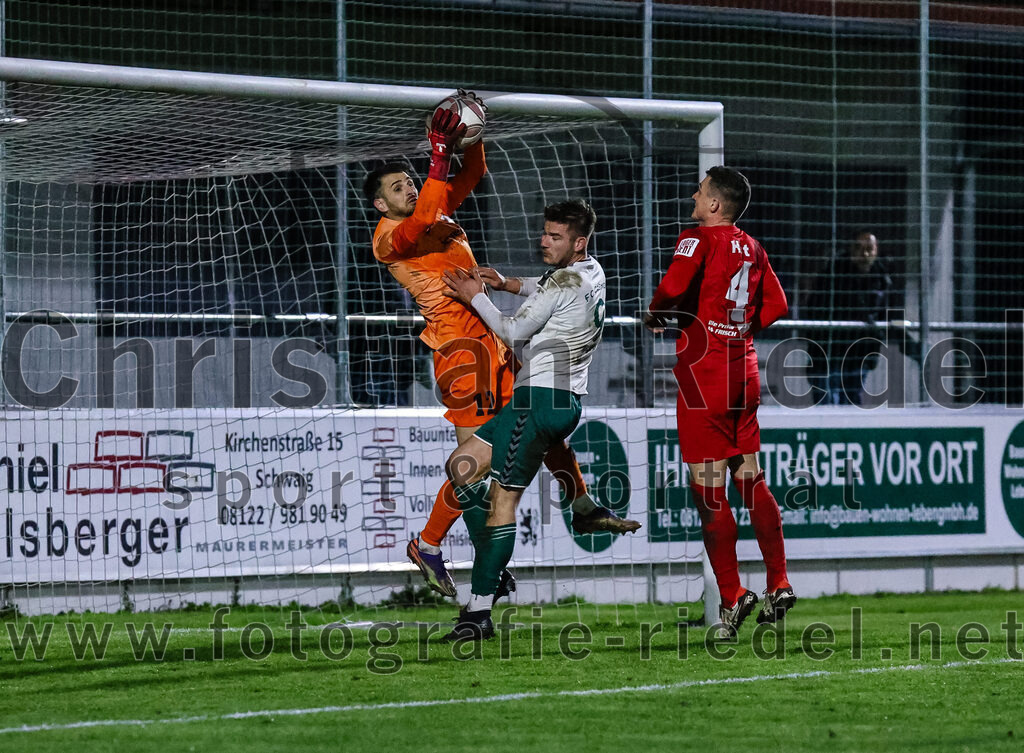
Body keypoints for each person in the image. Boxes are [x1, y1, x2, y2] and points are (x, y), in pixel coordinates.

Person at [364, 98, 638, 598]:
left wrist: (472, 132)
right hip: (460, 354)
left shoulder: (436, 213)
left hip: (493, 345)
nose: (409, 187)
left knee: (535, 428)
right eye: (396, 186)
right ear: (381, 204)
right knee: (471, 464)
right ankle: (434, 544)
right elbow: (426, 208)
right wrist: (439, 153)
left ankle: (578, 505)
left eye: (410, 179)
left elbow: (477, 170)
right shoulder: (388, 237)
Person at [438, 199, 607, 641]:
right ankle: (491, 571)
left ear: (579, 242)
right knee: (461, 467)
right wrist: (509, 283)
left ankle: (478, 612)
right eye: (545, 232)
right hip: (550, 400)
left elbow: (513, 332)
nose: (544, 240)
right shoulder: (591, 271)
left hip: (540, 401)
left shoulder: (564, 280)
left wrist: (476, 295)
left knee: (501, 504)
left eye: (555, 236)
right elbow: (548, 285)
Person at [645, 166, 794, 639]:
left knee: (709, 493)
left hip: (704, 381)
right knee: (750, 479)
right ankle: (779, 581)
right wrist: (738, 330)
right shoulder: (753, 247)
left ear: (714, 205)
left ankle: (732, 596)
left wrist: (657, 313)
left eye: (700, 190)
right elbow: (777, 306)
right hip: (744, 374)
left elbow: (671, 288)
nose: (693, 195)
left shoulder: (697, 239)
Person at [806, 230, 894, 405]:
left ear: (876, 250)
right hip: (829, 352)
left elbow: (885, 316)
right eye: (858, 248)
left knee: (851, 403)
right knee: (828, 403)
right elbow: (815, 309)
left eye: (869, 248)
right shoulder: (833, 276)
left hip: (858, 354)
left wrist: (873, 351)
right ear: (850, 250)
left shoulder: (882, 280)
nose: (865, 254)